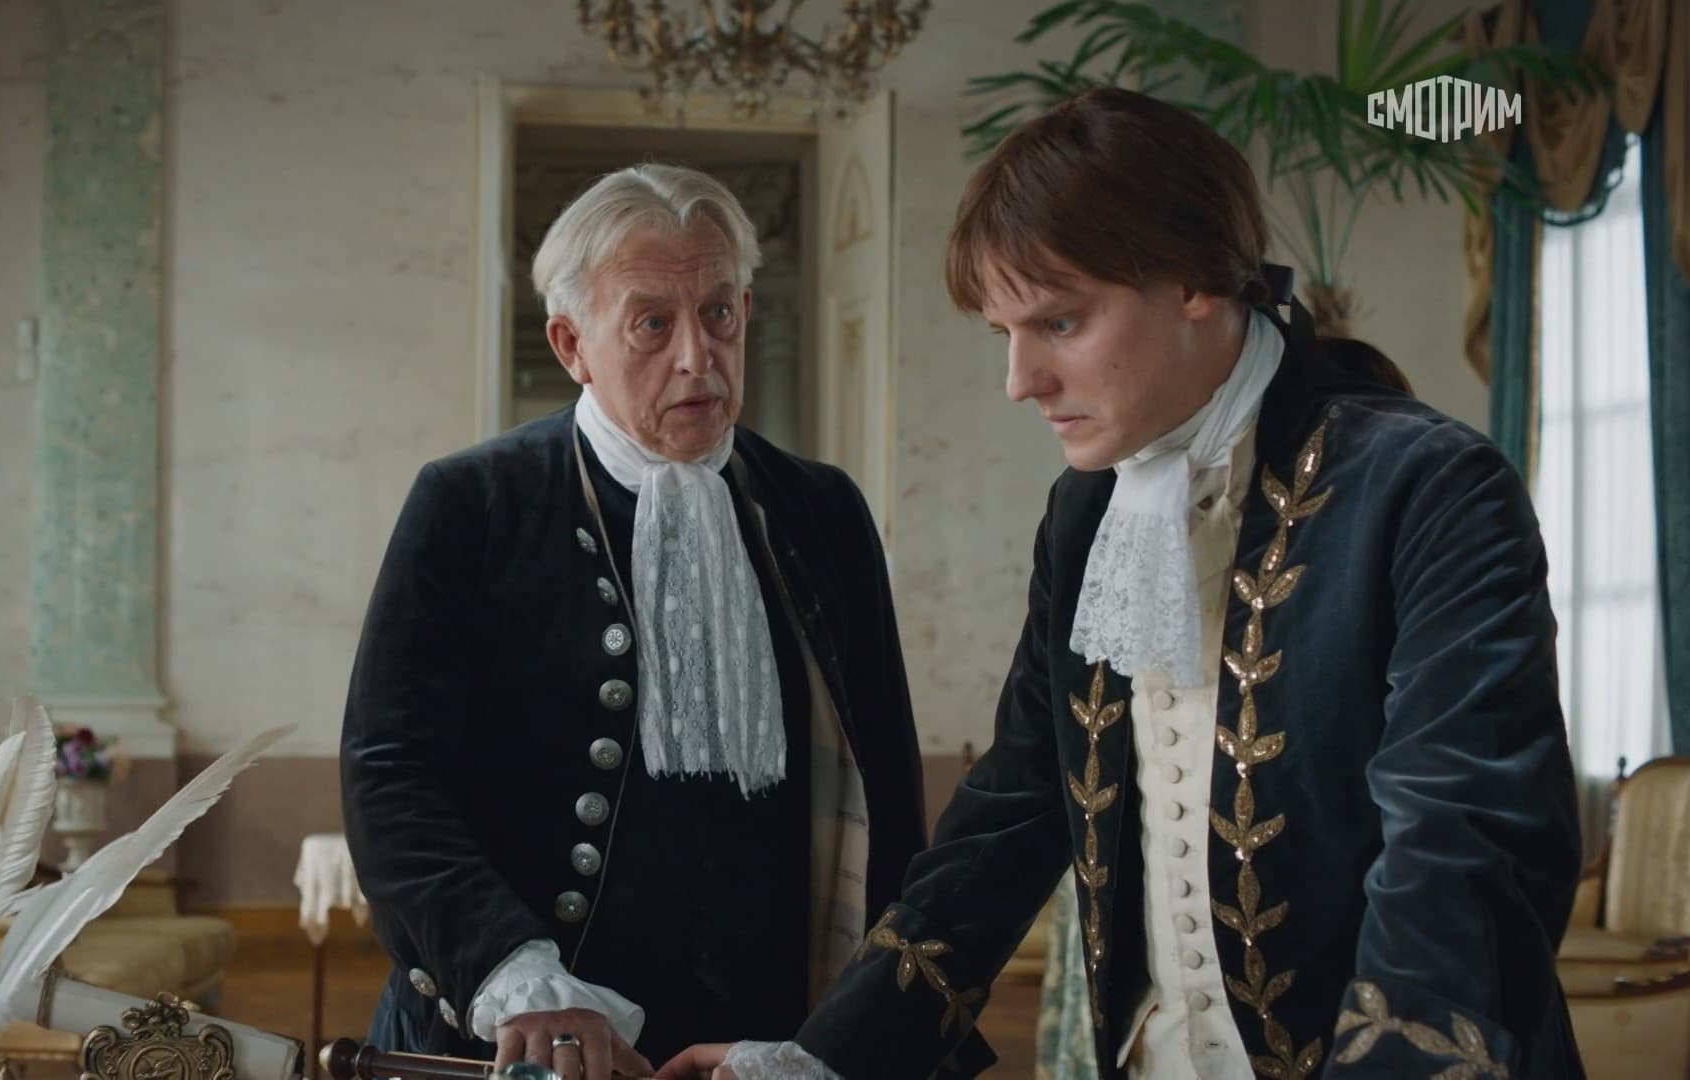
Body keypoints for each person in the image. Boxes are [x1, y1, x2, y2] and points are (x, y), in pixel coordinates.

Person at [662, 87, 1582, 1080]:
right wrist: (820, 1061)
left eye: (1059, 322)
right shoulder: (1085, 509)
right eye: (1005, 334)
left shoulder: (1429, 485)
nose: (1021, 380)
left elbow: (1463, 843)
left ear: (1196, 282)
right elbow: (1012, 814)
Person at [341, 163, 990, 1080]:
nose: (698, 355)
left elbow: (885, 795)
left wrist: (867, 1036)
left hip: (764, 1042)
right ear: (571, 345)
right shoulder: (473, 503)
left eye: (719, 314)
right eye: (652, 323)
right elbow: (390, 775)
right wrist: (517, 976)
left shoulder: (822, 511)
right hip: (535, 1035)